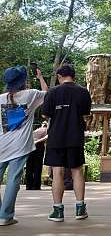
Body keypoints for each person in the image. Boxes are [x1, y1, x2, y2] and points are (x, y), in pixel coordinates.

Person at [42, 64, 91, 222]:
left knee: (58, 173)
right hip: (75, 136)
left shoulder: (52, 92)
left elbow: (45, 115)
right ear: (74, 76)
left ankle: (58, 211)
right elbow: (85, 113)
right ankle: (80, 209)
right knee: (77, 171)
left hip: (56, 137)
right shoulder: (83, 92)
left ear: (59, 76)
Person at [0, 66, 48, 226]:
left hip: (1, 145)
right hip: (20, 146)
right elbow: (48, 93)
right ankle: (5, 216)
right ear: (23, 82)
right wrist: (40, 77)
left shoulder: (0, 99)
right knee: (13, 180)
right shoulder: (31, 94)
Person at [25, 121, 48, 190]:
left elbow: (47, 136)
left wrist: (37, 141)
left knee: (35, 166)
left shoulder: (46, 129)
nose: (43, 123)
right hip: (33, 145)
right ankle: (31, 185)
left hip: (36, 145)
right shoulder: (38, 129)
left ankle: (34, 185)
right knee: (31, 166)